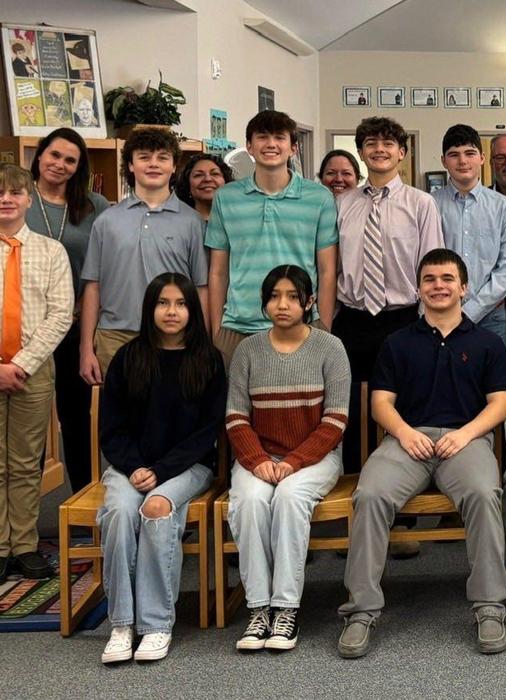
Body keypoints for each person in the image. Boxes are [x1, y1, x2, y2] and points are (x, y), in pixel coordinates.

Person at [338, 249, 506, 658]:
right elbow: (380, 402)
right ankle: (361, 609)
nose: (439, 286)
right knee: (369, 495)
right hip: (405, 441)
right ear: (418, 288)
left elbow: (499, 404)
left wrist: (465, 434)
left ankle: (489, 605)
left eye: (448, 279)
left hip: (465, 442)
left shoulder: (486, 342)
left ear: (464, 288)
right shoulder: (397, 342)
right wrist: (403, 432)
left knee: (486, 494)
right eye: (430, 279)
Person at [96, 273, 226, 664]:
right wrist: (135, 467)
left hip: (188, 466)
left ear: (192, 309)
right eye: (163, 303)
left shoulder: (208, 360)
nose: (172, 312)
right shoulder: (128, 357)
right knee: (118, 511)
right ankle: (121, 623)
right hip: (129, 466)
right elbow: (111, 428)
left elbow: (207, 432)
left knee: (157, 507)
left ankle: (154, 624)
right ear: (149, 308)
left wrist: (162, 471)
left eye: (181, 304)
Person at [226, 265, 349, 653]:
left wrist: (294, 461)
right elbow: (236, 417)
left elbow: (336, 420)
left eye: (293, 296)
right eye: (275, 296)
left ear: (309, 301)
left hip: (316, 458)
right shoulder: (248, 350)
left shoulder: (330, 347)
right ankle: (258, 607)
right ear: (264, 304)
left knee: (291, 498)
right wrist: (258, 460)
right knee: (247, 501)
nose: (283, 304)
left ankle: (285, 608)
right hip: (260, 457)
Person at [333, 116, 442, 485]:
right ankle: (352, 496)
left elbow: (432, 267)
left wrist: (429, 324)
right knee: (350, 408)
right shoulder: (342, 204)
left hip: (403, 319)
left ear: (402, 152)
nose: (379, 149)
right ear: (361, 153)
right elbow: (332, 267)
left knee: (402, 407)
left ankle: (401, 501)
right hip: (352, 319)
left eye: (388, 143)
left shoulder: (421, 204)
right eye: (370, 143)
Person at [207, 110, 339, 366]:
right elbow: (218, 271)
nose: (270, 144)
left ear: (293, 148)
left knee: (296, 406)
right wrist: (216, 330)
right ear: (249, 146)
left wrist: (322, 326)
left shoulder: (319, 197)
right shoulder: (226, 197)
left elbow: (327, 270)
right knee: (236, 406)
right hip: (237, 328)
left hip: (301, 328)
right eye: (262, 137)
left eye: (279, 138)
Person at [80, 128, 207, 384]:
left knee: (172, 416)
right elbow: (93, 286)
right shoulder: (106, 221)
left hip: (176, 336)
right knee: (120, 419)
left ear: (174, 167)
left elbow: (201, 288)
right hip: (115, 336)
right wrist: (85, 349)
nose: (153, 164)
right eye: (144, 157)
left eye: (162, 157)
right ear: (130, 164)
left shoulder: (193, 222)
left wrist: (201, 342)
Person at [26, 128, 111, 495]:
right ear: (40, 155)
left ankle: (81, 504)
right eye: (54, 155)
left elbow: (103, 268)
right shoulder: (17, 197)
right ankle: (22, 519)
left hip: (76, 324)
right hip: (25, 327)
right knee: (26, 423)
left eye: (70, 160)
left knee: (76, 421)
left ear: (80, 167)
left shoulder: (95, 206)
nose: (59, 165)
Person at [0, 164, 73, 581]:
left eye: (15, 193)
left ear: (29, 199)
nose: (6, 199)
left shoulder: (51, 252)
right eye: (0, 193)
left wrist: (20, 365)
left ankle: (24, 544)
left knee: (26, 462)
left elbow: (61, 314)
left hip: (34, 371)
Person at [433, 124, 506, 346]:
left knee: (491, 379)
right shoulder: (429, 204)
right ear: (444, 161)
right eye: (454, 155)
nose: (463, 161)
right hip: (439, 312)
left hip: (490, 315)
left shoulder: (503, 207)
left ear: (482, 158)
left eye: (470, 153)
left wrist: (471, 311)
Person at [174, 153, 233, 223]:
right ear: (187, 184)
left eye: (215, 174)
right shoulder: (176, 223)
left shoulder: (243, 221)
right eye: (198, 175)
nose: (207, 179)